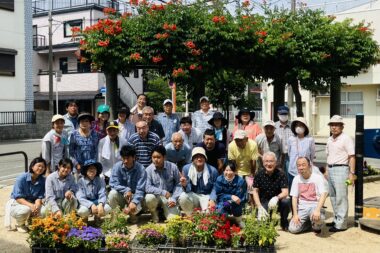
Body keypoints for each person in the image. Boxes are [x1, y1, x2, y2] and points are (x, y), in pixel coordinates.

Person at [325, 115, 355, 232]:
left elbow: (351, 156)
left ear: (342, 126)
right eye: (332, 125)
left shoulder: (346, 138)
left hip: (341, 169)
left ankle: (341, 224)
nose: (334, 127)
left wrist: (351, 173)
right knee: (332, 196)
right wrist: (327, 170)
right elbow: (328, 156)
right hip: (331, 169)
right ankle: (337, 219)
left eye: (337, 125)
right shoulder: (329, 139)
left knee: (341, 197)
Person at [5, 157, 47, 233]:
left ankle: (31, 220)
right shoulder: (21, 178)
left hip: (32, 202)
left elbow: (40, 196)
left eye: (43, 167)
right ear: (32, 166)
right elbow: (18, 197)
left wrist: (37, 206)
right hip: (17, 203)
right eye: (39, 166)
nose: (41, 168)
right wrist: (31, 206)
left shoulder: (42, 180)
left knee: (44, 210)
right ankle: (20, 224)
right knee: (25, 210)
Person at [289, 157, 328, 234]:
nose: (301, 167)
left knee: (317, 224)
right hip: (302, 208)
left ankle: (315, 224)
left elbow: (323, 194)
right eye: (299, 165)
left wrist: (317, 210)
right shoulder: (296, 179)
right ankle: (309, 225)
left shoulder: (317, 177)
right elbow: (294, 197)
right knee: (293, 229)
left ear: (309, 166)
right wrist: (295, 215)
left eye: (303, 165)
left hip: (315, 207)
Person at [108, 145, 147, 223]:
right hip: (122, 195)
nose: (125, 161)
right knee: (112, 193)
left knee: (133, 220)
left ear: (133, 157)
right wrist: (126, 189)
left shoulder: (141, 169)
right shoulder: (117, 167)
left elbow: (141, 189)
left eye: (128, 158)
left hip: (136, 196)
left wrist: (134, 202)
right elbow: (113, 183)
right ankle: (115, 217)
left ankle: (133, 214)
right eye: (123, 158)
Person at [252, 152, 290, 231]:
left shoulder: (281, 174)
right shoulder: (259, 174)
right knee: (262, 225)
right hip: (264, 200)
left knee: (286, 202)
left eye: (271, 161)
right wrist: (259, 206)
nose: (269, 164)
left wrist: (277, 197)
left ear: (275, 163)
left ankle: (284, 222)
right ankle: (266, 216)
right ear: (263, 163)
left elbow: (285, 192)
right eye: (266, 161)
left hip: (278, 200)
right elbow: (255, 191)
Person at [145, 146, 182, 222]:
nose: (155, 160)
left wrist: (174, 198)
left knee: (173, 220)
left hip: (169, 198)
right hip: (156, 197)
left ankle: (166, 212)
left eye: (158, 157)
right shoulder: (148, 170)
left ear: (164, 157)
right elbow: (147, 187)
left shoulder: (173, 167)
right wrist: (163, 192)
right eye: (153, 157)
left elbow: (179, 184)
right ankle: (154, 213)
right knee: (149, 197)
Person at [179, 147, 219, 215]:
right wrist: (185, 185)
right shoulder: (186, 169)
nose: (199, 159)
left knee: (209, 213)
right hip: (193, 195)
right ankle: (190, 216)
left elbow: (215, 187)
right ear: (192, 159)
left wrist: (212, 199)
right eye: (196, 157)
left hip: (207, 196)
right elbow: (188, 191)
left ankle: (202, 214)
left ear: (205, 158)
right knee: (183, 197)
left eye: (201, 157)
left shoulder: (213, 170)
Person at [228, 130, 259, 202]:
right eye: (236, 140)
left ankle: (252, 208)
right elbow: (232, 162)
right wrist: (235, 174)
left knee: (251, 189)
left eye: (241, 140)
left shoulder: (253, 144)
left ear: (246, 139)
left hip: (250, 169)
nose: (239, 142)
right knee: (238, 188)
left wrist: (252, 176)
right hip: (238, 170)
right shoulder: (231, 146)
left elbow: (253, 161)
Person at [215, 160, 247, 227]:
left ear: (235, 171)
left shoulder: (241, 181)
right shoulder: (219, 179)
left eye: (231, 170)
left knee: (237, 206)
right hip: (224, 202)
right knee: (220, 208)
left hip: (236, 202)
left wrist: (233, 200)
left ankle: (239, 221)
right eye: (226, 170)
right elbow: (219, 195)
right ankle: (222, 222)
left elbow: (240, 197)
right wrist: (231, 196)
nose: (228, 173)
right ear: (223, 170)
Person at [287, 117, 315, 191]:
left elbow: (312, 155)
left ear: (305, 127)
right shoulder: (291, 139)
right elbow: (289, 153)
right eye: (297, 125)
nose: (299, 127)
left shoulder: (310, 140)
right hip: (292, 171)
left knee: (304, 192)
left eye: (301, 125)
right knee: (292, 192)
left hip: (305, 171)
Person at [69, 112, 100, 177]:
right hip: (78, 168)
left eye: (86, 121)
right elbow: (71, 152)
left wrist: (94, 164)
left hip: (92, 167)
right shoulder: (74, 135)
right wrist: (76, 164)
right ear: (79, 123)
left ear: (90, 123)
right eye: (82, 121)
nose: (84, 123)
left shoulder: (95, 134)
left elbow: (97, 151)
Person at [274, 105, 292, 174]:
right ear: (277, 114)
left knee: (289, 175)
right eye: (281, 114)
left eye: (285, 114)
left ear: (288, 114)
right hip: (278, 155)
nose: (283, 115)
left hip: (290, 156)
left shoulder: (293, 125)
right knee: (278, 175)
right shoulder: (274, 126)